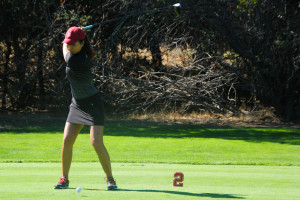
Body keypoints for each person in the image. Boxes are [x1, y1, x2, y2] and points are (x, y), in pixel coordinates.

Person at [54, 26, 117, 190]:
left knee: (96, 142)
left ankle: (110, 179)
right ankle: (64, 179)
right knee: (67, 140)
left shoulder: (78, 59)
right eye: (68, 43)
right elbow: (65, 46)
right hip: (77, 103)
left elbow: (64, 53)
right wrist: (70, 33)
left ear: (82, 44)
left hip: (92, 104)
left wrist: (68, 32)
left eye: (73, 44)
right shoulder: (74, 52)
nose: (69, 46)